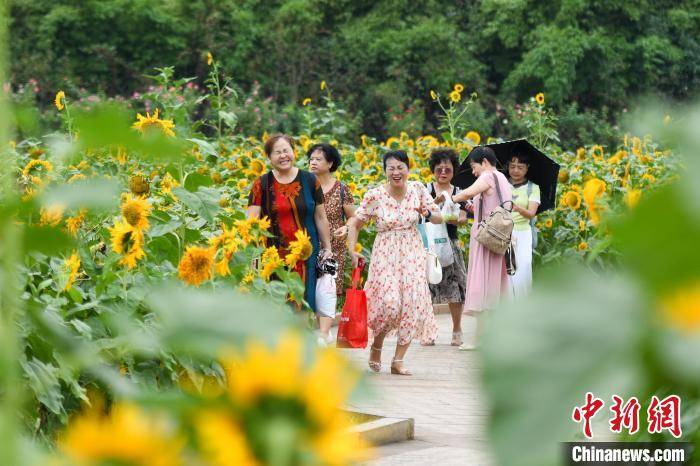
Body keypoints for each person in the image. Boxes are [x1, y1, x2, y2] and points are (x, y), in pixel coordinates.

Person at [347, 150, 440, 375]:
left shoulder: (418, 189)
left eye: (401, 167)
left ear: (408, 168)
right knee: (390, 303)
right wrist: (352, 251)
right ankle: (376, 346)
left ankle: (398, 360)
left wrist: (427, 212)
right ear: (385, 170)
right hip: (385, 253)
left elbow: (438, 218)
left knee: (413, 302)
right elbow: (356, 223)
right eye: (391, 167)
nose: (396, 172)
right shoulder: (375, 195)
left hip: (412, 250)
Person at [247, 134, 333, 314]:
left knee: (304, 302)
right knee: (277, 303)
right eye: (277, 152)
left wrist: (328, 247)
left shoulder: (310, 181)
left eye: (286, 150)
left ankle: (302, 341)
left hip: (306, 254)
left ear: (294, 152)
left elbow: (320, 217)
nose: (283, 155)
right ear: (269, 158)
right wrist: (253, 256)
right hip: (273, 256)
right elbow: (252, 224)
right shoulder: (261, 184)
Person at [451, 146, 512, 350]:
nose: (474, 171)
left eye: (474, 166)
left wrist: (449, 198)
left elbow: (467, 192)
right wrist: (470, 206)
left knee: (483, 288)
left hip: (486, 239)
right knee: (492, 288)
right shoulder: (502, 178)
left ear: (484, 162)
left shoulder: (488, 176)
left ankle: (478, 340)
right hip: (496, 237)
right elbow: (490, 205)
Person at [307, 143, 356, 344]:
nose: (313, 162)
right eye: (311, 159)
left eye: (318, 159)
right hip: (307, 246)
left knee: (327, 289)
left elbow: (353, 217)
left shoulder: (342, 189)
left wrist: (346, 227)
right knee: (310, 288)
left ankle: (324, 335)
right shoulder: (304, 187)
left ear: (330, 163)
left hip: (333, 248)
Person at [425, 148, 469, 346]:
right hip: (429, 245)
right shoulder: (426, 189)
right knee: (426, 288)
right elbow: (420, 211)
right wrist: (437, 201)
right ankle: (428, 330)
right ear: (433, 170)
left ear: (454, 171)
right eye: (439, 169)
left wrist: (457, 219)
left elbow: (464, 216)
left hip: (451, 244)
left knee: (455, 288)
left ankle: (457, 328)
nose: (443, 173)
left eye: (448, 169)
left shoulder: (459, 192)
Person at [507, 152, 540, 298]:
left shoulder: (533, 188)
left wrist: (517, 207)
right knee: (507, 271)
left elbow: (531, 213)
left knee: (524, 267)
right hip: (504, 232)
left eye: (520, 167)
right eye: (512, 166)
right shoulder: (501, 184)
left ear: (527, 168)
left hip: (523, 233)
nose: (515, 170)